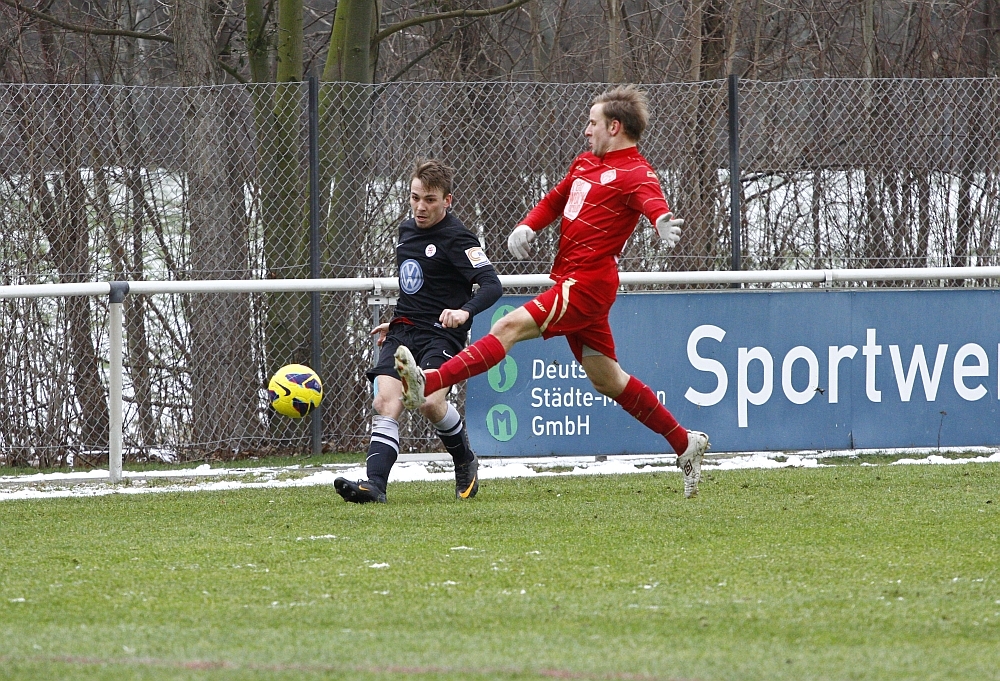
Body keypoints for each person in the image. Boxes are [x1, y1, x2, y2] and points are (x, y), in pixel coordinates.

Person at [394, 85, 710, 498]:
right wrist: (529, 224)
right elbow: (556, 199)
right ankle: (685, 442)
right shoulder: (584, 163)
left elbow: (652, 199)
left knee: (507, 326)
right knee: (609, 380)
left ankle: (430, 379)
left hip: (588, 283)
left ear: (614, 127)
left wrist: (660, 220)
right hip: (572, 281)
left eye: (592, 123)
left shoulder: (636, 172)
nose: (586, 130)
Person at [334, 159, 502, 504]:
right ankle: (375, 486)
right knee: (385, 401)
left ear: (447, 201)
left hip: (441, 334)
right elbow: (417, 287)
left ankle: (464, 460)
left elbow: (491, 284)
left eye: (429, 199)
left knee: (428, 401)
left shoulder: (459, 238)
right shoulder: (406, 232)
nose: (420, 207)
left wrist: (463, 311)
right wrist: (396, 317)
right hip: (403, 330)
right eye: (414, 198)